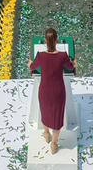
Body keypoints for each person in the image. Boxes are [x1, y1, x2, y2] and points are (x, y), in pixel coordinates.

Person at [28, 26, 76, 156]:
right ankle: (54, 144)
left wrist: (29, 64)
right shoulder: (62, 56)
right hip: (58, 92)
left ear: (45, 41)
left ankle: (46, 134)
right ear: (56, 40)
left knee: (45, 113)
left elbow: (33, 67)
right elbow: (70, 67)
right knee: (57, 119)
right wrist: (75, 63)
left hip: (44, 91)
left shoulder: (40, 56)